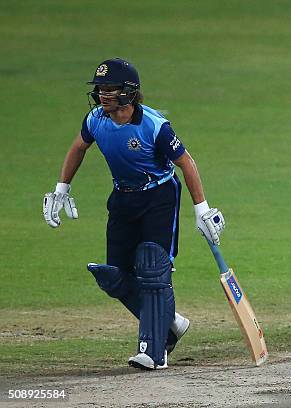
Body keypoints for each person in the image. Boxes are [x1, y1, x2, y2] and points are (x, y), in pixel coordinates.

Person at [43, 58, 225, 370]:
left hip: (159, 196)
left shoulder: (153, 126)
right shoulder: (95, 120)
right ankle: (171, 323)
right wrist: (62, 188)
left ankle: (154, 352)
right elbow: (78, 148)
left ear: (129, 92)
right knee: (116, 277)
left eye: (110, 89)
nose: (103, 95)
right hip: (122, 197)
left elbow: (186, 162)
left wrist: (202, 209)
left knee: (153, 269)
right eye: (100, 89)